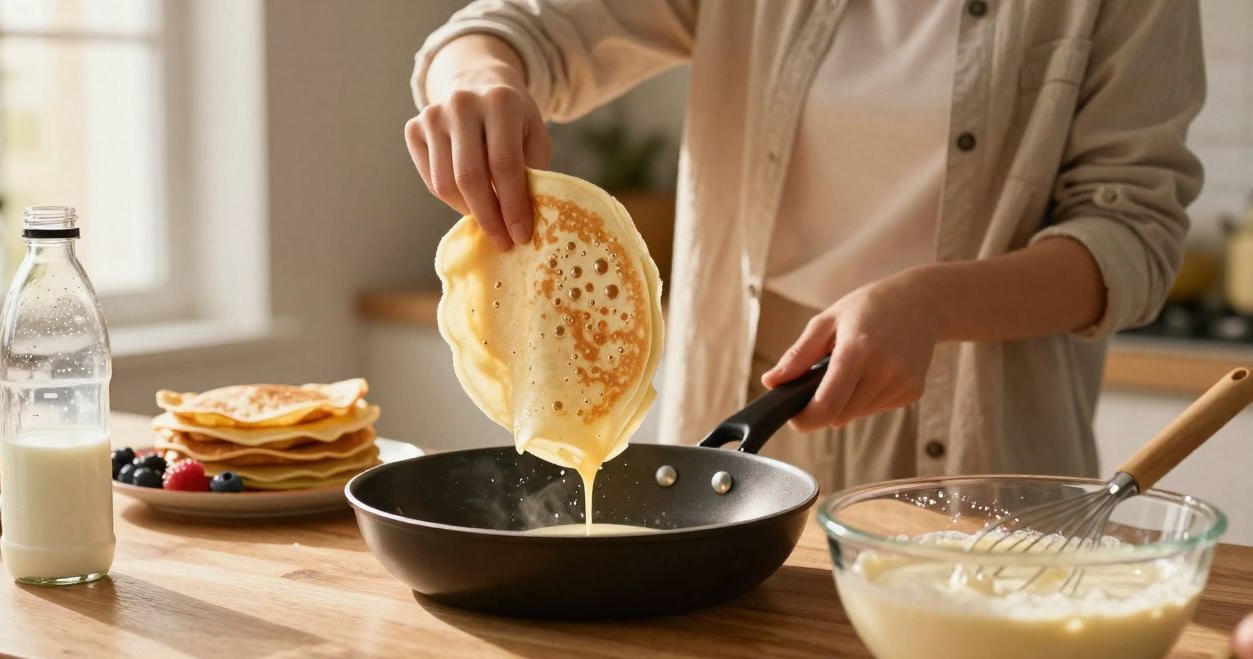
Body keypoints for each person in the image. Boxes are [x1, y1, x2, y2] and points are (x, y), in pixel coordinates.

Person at [404, 1, 1204, 491]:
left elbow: (1132, 234)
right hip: (741, 390)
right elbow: (515, 29)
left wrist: (932, 303)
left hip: (984, 429)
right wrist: (476, 82)